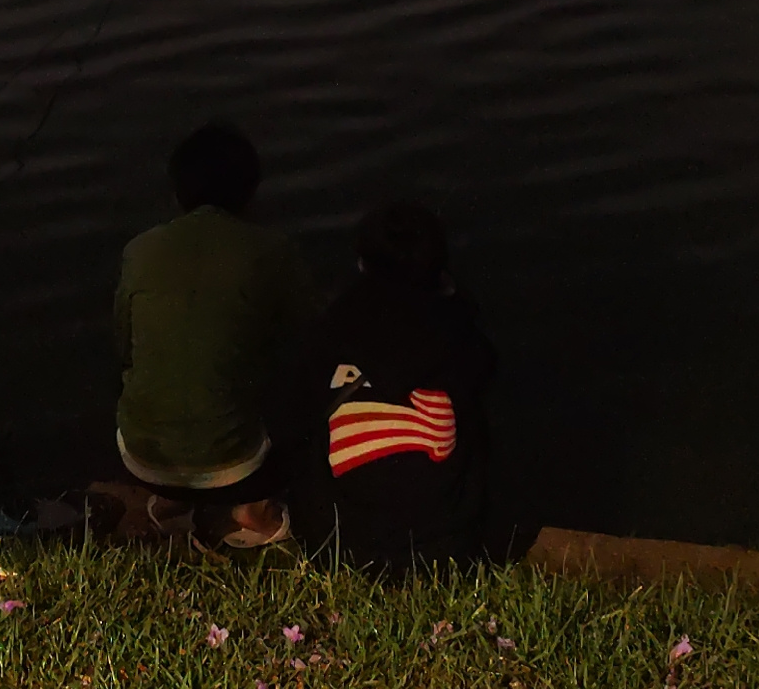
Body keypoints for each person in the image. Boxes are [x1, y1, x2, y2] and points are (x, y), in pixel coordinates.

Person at [114, 122, 313, 545]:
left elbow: (123, 345)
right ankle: (252, 513)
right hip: (238, 467)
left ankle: (169, 503)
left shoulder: (140, 249)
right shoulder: (273, 250)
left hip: (143, 457)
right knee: (303, 381)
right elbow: (309, 334)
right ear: (251, 192)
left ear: (177, 192)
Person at [289, 201, 496, 570]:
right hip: (449, 544)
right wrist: (456, 300)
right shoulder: (461, 335)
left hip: (338, 542)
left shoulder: (330, 327)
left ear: (361, 264)